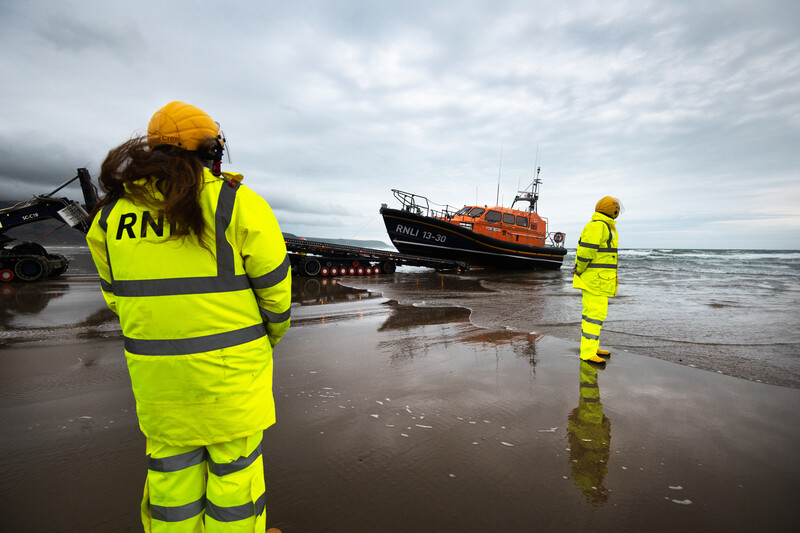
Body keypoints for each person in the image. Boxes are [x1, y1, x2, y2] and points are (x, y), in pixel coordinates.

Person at [86, 101, 291, 532]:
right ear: (210, 149)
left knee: (170, 483)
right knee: (234, 482)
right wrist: (265, 338)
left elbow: (118, 298)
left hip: (159, 383)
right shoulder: (235, 203)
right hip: (232, 381)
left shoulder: (110, 215)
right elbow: (276, 294)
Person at [572, 196, 622, 367]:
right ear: (613, 211)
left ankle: (592, 347)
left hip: (599, 281)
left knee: (595, 316)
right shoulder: (598, 226)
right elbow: (586, 252)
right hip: (594, 282)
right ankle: (587, 353)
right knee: (593, 316)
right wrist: (579, 269)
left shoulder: (604, 226)